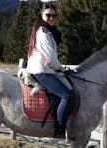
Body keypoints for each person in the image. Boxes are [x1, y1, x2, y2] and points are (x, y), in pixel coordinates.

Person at [26, 3, 72, 138]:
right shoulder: (44, 33)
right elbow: (51, 57)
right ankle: (59, 129)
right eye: (48, 15)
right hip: (42, 71)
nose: (51, 18)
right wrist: (61, 69)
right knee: (67, 95)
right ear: (41, 16)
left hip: (44, 68)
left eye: (53, 15)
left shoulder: (47, 31)